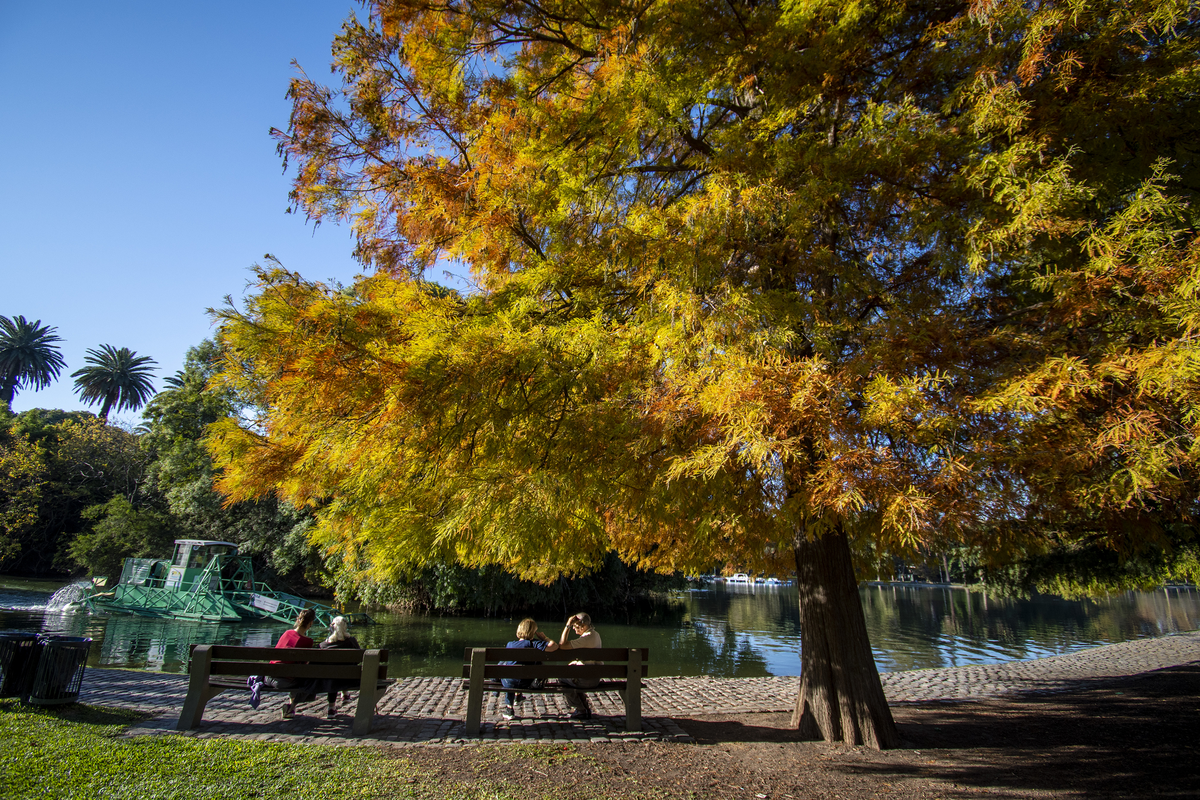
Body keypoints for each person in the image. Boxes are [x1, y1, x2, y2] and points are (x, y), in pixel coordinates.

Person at [499, 618, 558, 720]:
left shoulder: (510, 644)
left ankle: (509, 709)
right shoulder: (535, 644)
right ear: (533, 633)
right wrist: (544, 638)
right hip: (527, 682)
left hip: (510, 682)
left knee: (507, 668)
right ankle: (518, 695)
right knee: (520, 670)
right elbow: (554, 646)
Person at [266, 608, 318, 719]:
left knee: (293, 673)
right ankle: (291, 707)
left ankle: (291, 709)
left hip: (268, 677)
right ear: (310, 623)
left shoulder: (286, 633)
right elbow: (303, 666)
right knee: (310, 682)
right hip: (282, 682)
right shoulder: (307, 641)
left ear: (298, 620)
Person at [557, 611, 602, 720]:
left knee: (562, 678)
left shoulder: (585, 638)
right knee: (575, 674)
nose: (573, 628)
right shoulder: (596, 635)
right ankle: (584, 708)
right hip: (596, 678)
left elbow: (562, 645)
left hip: (586, 680)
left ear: (583, 626)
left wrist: (567, 625)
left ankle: (580, 709)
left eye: (575, 626)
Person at [319, 615, 361, 718]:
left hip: (331, 680)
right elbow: (359, 659)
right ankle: (345, 693)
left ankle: (331, 708)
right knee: (342, 669)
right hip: (351, 679)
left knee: (332, 673)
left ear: (332, 627)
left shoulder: (324, 646)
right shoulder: (352, 642)